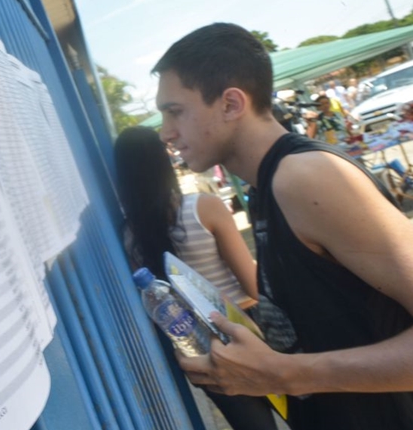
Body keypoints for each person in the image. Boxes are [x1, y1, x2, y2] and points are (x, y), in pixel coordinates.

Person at [152, 23, 413, 430]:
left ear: (231, 104)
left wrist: (284, 374)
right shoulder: (266, 188)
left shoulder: (306, 177)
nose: (166, 133)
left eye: (175, 112)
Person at [114, 126, 277, 430]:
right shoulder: (205, 207)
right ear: (163, 161)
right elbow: (253, 285)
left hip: (202, 347)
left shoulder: (128, 235)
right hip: (248, 327)